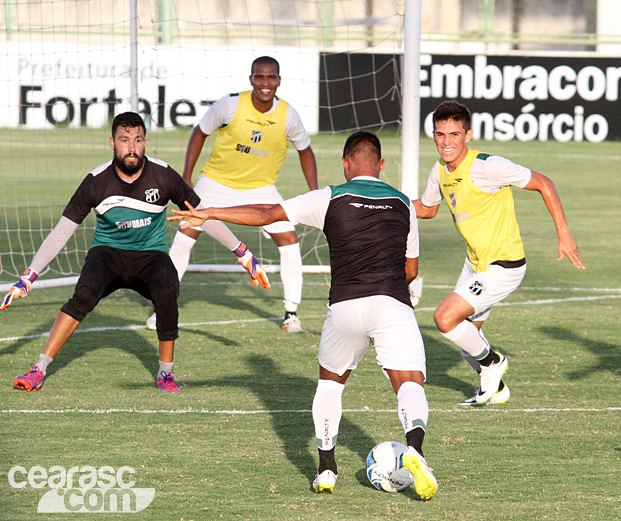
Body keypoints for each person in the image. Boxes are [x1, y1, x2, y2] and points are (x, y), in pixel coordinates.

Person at [169, 131, 438, 499]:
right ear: (381, 166)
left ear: (345, 164)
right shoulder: (404, 204)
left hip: (344, 307)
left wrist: (210, 212)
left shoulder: (328, 197)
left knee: (330, 384)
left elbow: (268, 214)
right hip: (391, 303)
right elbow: (411, 270)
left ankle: (326, 469)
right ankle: (415, 450)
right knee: (409, 381)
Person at [3, 112, 269, 392]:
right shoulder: (95, 181)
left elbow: (202, 215)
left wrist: (243, 253)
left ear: (145, 143)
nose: (131, 147)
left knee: (167, 288)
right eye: (124, 140)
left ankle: (165, 373)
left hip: (151, 255)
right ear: (112, 143)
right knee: (84, 294)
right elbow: (61, 232)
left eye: (138, 140)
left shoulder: (163, 174)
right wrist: (29, 276)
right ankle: (39, 368)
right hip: (108, 253)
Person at [414, 100, 585, 406]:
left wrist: (564, 235)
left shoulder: (488, 166)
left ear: (468, 135)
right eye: (441, 134)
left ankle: (493, 362)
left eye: (454, 134)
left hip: (504, 266)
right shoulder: (439, 170)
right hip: (475, 264)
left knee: (444, 318)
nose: (446, 142)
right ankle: (498, 389)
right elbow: (427, 209)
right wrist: (386, 204)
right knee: (468, 341)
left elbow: (544, 183)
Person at [147, 55, 318, 333]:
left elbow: (305, 151)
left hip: (261, 189)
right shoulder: (229, 104)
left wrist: (314, 192)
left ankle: (291, 314)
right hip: (215, 183)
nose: (265, 83)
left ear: (279, 81)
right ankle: (162, 311)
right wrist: (187, 177)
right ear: (251, 79)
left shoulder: (288, 115)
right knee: (185, 236)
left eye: (271, 77)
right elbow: (199, 132)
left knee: (289, 240)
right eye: (260, 77)